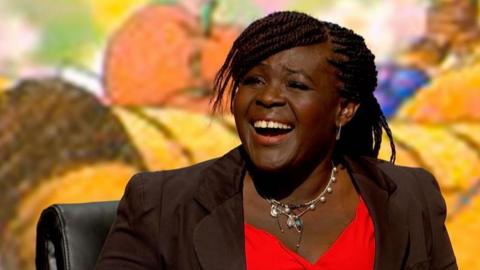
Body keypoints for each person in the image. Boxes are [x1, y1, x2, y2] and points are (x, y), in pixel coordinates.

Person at [95, 11, 457, 270]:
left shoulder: (410, 198)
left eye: (297, 85)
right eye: (252, 81)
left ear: (344, 109)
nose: (268, 97)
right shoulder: (161, 205)